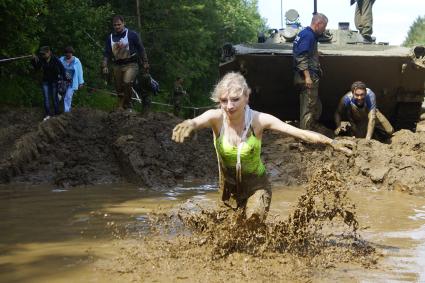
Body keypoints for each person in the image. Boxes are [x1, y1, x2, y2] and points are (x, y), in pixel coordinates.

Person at [172, 72, 354, 222]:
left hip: (257, 187)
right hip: (228, 191)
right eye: (224, 101)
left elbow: (299, 133)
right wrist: (189, 123)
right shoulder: (215, 118)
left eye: (235, 99)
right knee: (227, 234)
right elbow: (197, 121)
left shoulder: (259, 120)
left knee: (252, 224)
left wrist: (332, 142)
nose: (229, 106)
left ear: (246, 97)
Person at [102, 15, 149, 111]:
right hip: (117, 64)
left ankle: (128, 105)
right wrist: (104, 65)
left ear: (123, 23)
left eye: (119, 24)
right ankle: (121, 105)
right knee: (119, 87)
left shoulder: (132, 34)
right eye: (115, 25)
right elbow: (107, 53)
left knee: (127, 82)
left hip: (131, 64)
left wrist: (145, 62)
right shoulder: (110, 38)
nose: (117, 27)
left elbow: (141, 49)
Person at [293, 13, 328, 131]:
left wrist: (316, 55)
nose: (324, 29)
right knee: (308, 107)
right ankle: (306, 134)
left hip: (305, 75)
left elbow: (306, 52)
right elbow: (301, 56)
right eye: (324, 26)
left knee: (313, 104)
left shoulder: (304, 33)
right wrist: (307, 76)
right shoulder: (309, 35)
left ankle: (310, 128)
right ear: (319, 24)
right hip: (308, 77)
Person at [31, 46, 65, 121]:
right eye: (42, 54)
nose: (43, 55)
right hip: (45, 81)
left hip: (54, 81)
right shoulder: (42, 59)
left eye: (44, 54)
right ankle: (48, 114)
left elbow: (62, 68)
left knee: (54, 98)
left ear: (49, 52)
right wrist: (33, 60)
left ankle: (56, 113)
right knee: (46, 98)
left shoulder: (55, 59)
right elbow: (37, 68)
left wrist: (64, 79)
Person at [59, 46, 84, 113]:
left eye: (69, 53)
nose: (68, 54)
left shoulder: (77, 61)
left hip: (72, 82)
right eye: (66, 53)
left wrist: (81, 82)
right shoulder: (61, 60)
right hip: (62, 82)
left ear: (72, 53)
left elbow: (80, 72)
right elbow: (57, 69)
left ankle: (66, 112)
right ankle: (59, 109)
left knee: (68, 96)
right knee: (59, 96)